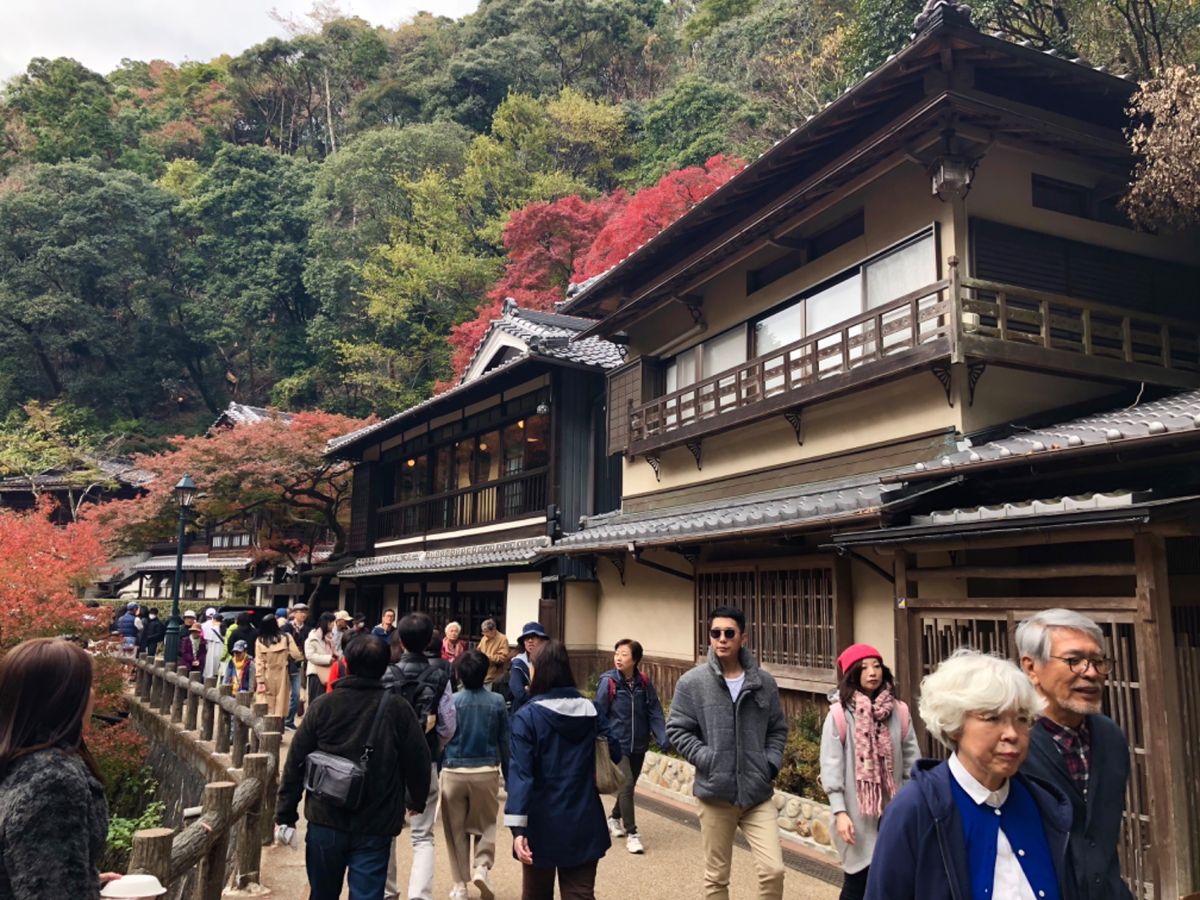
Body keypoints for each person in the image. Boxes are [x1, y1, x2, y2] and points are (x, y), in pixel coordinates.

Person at [864, 649, 1074, 900]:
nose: (1012, 734)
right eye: (992, 718)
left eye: (1021, 719)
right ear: (955, 725)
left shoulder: (1044, 803)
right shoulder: (914, 809)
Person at [276, 634, 432, 900]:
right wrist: (415, 799)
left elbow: (295, 762)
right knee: (368, 894)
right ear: (384, 666)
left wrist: (286, 814)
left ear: (346, 662)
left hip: (326, 816)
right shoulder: (398, 708)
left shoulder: (322, 706)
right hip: (376, 819)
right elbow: (418, 759)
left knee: (323, 892)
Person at [666, 605, 788, 900]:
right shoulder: (692, 683)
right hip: (715, 793)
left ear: (742, 638)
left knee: (774, 870)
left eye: (729, 633)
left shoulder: (763, 683)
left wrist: (769, 764)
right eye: (715, 633)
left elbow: (777, 730)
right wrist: (708, 759)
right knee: (717, 877)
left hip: (757, 793)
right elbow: (677, 729)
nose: (722, 638)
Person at [1017, 609, 1134, 900]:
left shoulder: (1111, 737)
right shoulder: (1008, 744)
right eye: (1074, 661)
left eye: (1097, 661)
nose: (1091, 672)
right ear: (1031, 668)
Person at [0, 638, 114, 898]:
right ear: (65, 698)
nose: (93, 695)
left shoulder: (17, 761)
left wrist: (85, 882)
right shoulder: (53, 780)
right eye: (89, 686)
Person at [506, 640, 617, 899]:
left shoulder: (527, 716)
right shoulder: (592, 710)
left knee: (537, 893)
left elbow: (521, 775)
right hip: (584, 816)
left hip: (540, 819)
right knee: (580, 893)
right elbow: (615, 750)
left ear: (538, 671)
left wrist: (518, 829)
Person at [819, 643, 920, 900]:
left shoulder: (899, 711)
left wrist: (908, 804)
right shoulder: (839, 715)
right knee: (857, 884)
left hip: (894, 811)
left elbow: (911, 761)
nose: (872, 672)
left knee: (893, 882)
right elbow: (831, 766)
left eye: (876, 666)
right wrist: (839, 812)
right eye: (863, 668)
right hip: (856, 814)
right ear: (851, 674)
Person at [382, 613, 457, 900]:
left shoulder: (386, 673)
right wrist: (435, 743)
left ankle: (388, 891)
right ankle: (419, 895)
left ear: (400, 640)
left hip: (389, 761)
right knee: (423, 835)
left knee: (385, 830)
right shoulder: (441, 675)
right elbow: (448, 724)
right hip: (425, 759)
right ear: (430, 641)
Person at [441, 650, 509, 900]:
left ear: (458, 674)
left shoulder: (452, 701)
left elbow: (442, 736)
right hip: (486, 770)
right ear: (485, 673)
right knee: (486, 823)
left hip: (454, 770)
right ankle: (482, 866)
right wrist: (511, 777)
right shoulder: (497, 702)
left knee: (454, 830)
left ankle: (460, 885)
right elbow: (505, 741)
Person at [594, 638, 669, 854]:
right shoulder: (608, 682)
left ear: (635, 659)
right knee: (626, 784)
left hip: (640, 743)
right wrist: (602, 740)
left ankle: (614, 817)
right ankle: (632, 834)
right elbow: (599, 713)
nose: (618, 657)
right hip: (617, 744)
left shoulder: (643, 682)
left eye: (624, 654)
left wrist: (662, 735)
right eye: (617, 653)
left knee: (630, 786)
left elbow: (654, 710)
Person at [255, 614, 303, 721]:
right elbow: (296, 655)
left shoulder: (260, 640)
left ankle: (267, 726)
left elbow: (259, 662)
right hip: (282, 672)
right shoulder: (286, 637)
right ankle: (278, 728)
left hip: (267, 673)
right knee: (281, 703)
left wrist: (260, 681)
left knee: (267, 702)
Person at [509, 622, 548, 715]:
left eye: (534, 637)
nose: (530, 641)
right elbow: (520, 694)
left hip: (544, 714)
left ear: (542, 640)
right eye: (527, 638)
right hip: (522, 713)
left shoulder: (549, 662)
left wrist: (530, 689)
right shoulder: (518, 664)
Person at [281, 604, 310, 729]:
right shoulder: (286, 628)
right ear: (294, 613)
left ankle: (289, 720)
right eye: (300, 612)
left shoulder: (308, 630)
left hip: (299, 663)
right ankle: (281, 719)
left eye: (305, 612)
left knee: (296, 693)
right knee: (283, 693)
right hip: (285, 663)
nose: (303, 614)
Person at [305, 612, 339, 704]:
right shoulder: (312, 639)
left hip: (328, 672)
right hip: (316, 673)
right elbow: (310, 656)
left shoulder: (329, 638)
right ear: (327, 623)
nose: (333, 626)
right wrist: (328, 659)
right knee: (316, 701)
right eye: (332, 623)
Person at [476, 619, 510, 695]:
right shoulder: (484, 638)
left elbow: (503, 657)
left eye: (486, 632)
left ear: (494, 630)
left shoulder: (502, 639)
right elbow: (478, 650)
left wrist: (488, 657)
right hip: (482, 674)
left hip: (494, 676)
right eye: (483, 632)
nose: (484, 634)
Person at [200, 608, 224, 681]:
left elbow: (204, 638)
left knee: (209, 666)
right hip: (221, 649)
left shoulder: (204, 625)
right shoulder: (223, 627)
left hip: (210, 648)